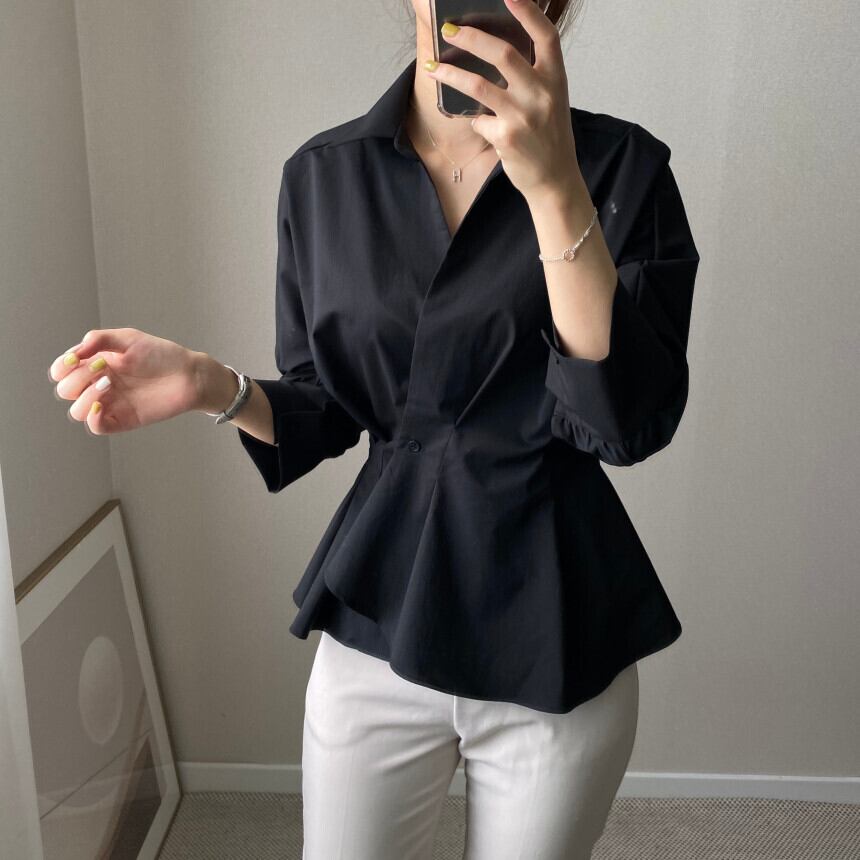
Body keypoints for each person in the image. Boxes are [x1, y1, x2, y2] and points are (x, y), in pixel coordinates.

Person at [48, 0, 699, 856]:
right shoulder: (324, 178)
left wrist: (554, 188)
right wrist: (213, 386)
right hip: (385, 607)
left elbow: (622, 424)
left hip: (557, 622)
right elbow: (328, 406)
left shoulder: (624, 170)